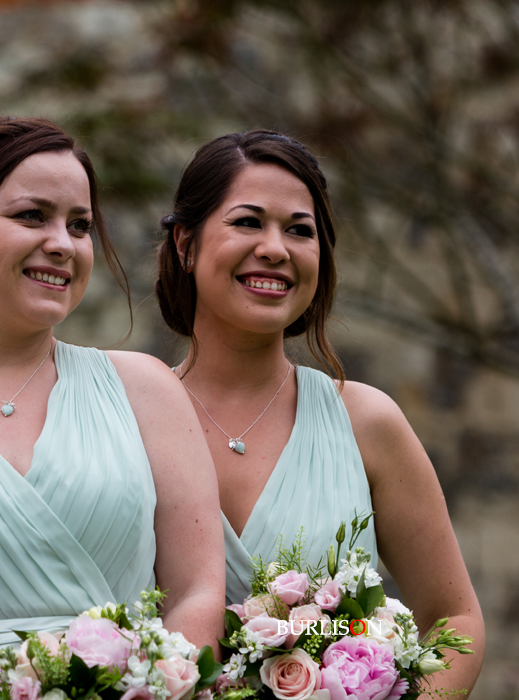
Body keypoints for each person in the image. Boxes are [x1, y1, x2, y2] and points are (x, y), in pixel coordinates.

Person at [0, 117, 226, 697]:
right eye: (32, 216)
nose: (63, 244)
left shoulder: (144, 387)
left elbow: (198, 592)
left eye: (80, 225)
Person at [155, 130, 486, 694]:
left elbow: (456, 618)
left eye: (300, 231)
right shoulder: (124, 417)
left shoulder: (367, 422)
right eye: (248, 222)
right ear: (186, 244)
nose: (275, 249)